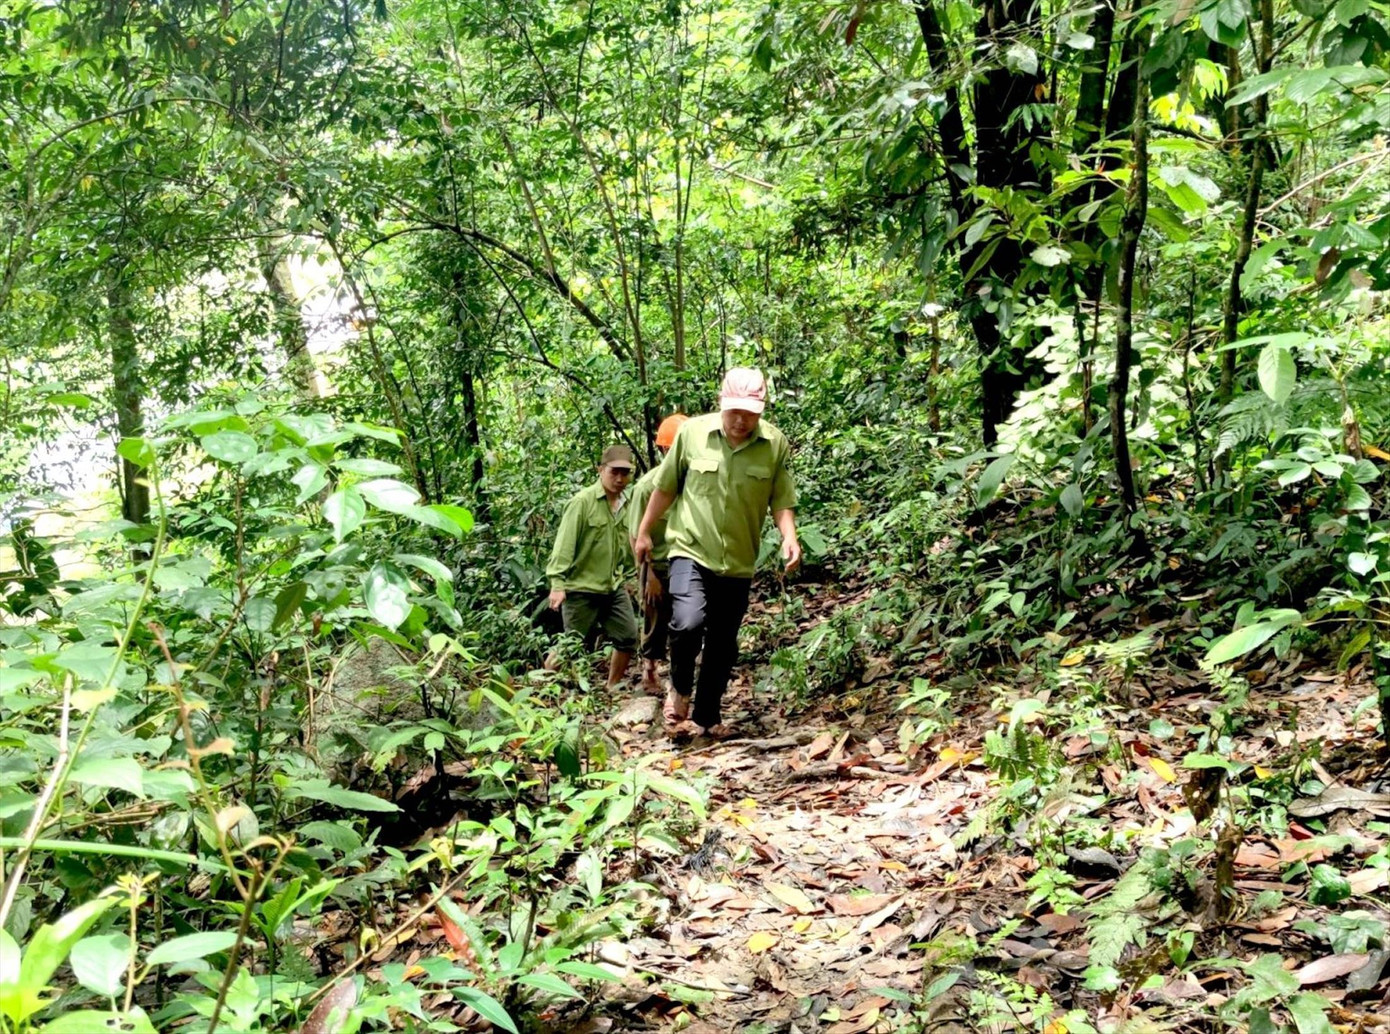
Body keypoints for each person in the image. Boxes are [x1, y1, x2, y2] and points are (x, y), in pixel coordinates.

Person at [633, 368, 799, 738]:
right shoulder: (691, 434)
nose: (741, 421)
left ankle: (707, 716)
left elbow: (781, 499)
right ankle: (679, 687)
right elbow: (665, 487)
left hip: (738, 561)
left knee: (723, 643)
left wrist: (789, 536)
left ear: (761, 409)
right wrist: (644, 531)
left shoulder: (774, 444)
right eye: (734, 411)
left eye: (749, 413)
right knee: (687, 622)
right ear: (721, 403)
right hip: (689, 548)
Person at [546, 444, 639, 691]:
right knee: (570, 646)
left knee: (628, 636)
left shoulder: (629, 503)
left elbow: (627, 544)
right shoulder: (582, 502)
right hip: (581, 588)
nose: (619, 479)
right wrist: (557, 584)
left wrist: (631, 575)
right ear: (600, 470)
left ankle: (612, 687)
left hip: (612, 586)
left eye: (625, 473)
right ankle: (543, 688)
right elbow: (564, 545)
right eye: (614, 472)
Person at [628, 413, 690, 694]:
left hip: (686, 560)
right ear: (665, 449)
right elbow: (636, 536)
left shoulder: (693, 483)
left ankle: (679, 675)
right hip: (656, 564)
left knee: (685, 621)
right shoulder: (647, 487)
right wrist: (648, 574)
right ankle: (649, 670)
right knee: (655, 619)